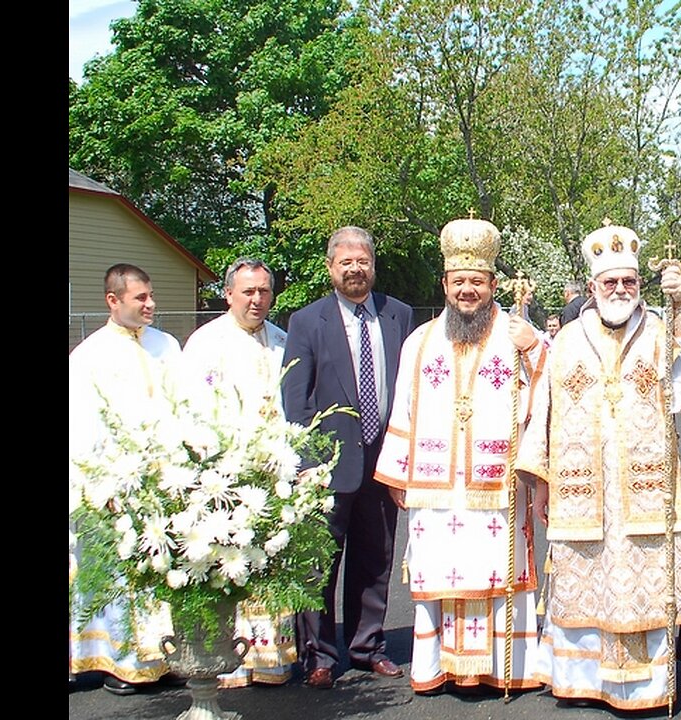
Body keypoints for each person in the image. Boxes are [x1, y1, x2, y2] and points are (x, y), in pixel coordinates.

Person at [517, 222, 681, 711]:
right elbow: (543, 412)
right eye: (610, 283)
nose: (621, 290)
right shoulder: (565, 341)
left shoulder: (660, 332)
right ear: (592, 287)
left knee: (640, 587)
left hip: (642, 493)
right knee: (584, 584)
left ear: (639, 285)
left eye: (629, 281)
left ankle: (644, 687)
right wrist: (540, 484)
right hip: (580, 493)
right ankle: (584, 681)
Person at [373, 217, 546, 694]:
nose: (467, 290)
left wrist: (535, 352)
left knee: (496, 571)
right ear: (445, 284)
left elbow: (545, 394)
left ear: (492, 283)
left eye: (477, 281)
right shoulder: (420, 341)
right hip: (434, 486)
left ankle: (503, 666)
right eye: (459, 282)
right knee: (440, 572)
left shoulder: (516, 336)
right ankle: (437, 666)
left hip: (498, 485)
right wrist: (396, 473)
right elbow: (402, 409)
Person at [281, 226, 415, 689]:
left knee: (374, 560)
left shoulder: (397, 315)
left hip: (383, 461)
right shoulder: (305, 321)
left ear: (373, 265)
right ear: (330, 267)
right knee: (319, 564)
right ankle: (318, 655)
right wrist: (306, 464)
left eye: (363, 261)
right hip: (327, 466)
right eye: (346, 263)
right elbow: (295, 400)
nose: (356, 269)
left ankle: (367, 646)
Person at [180, 257, 297, 688]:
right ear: (228, 294)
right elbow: (192, 407)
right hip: (226, 475)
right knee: (231, 564)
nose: (257, 299)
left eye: (264, 291)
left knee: (272, 565)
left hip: (276, 471)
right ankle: (225, 658)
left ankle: (269, 657)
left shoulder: (284, 340)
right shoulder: (205, 343)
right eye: (248, 291)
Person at [69, 263, 178, 694]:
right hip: (114, 482)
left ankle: (158, 656)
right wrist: (101, 481)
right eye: (141, 298)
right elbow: (81, 425)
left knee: (160, 569)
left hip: (164, 479)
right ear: (113, 301)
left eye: (151, 296)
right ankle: (117, 662)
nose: (151, 304)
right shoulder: (89, 357)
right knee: (114, 574)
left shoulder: (167, 346)